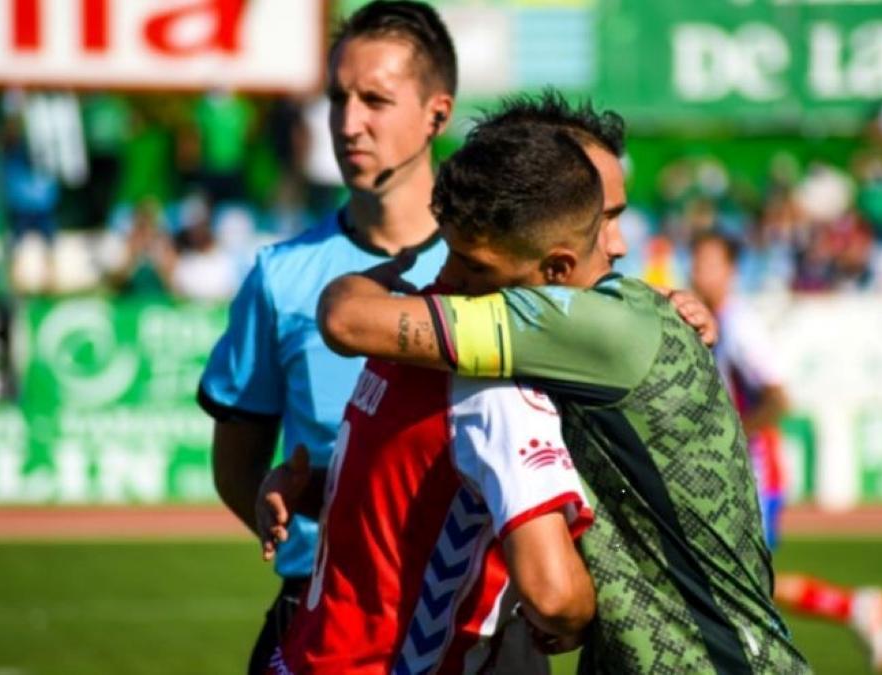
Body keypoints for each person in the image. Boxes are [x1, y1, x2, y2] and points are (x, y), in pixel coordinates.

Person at [316, 95, 808, 672]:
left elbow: (349, 320)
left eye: (613, 215)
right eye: (603, 218)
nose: (618, 245)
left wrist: (373, 279)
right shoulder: (609, 319)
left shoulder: (584, 326)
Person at [268, 122, 603, 675]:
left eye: (475, 268)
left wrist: (310, 490)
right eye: (451, 253)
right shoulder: (495, 386)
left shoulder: (412, 336)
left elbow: (407, 505)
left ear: (556, 267)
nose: (446, 279)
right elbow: (554, 597)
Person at [196, 3, 457, 671]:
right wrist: (297, 524)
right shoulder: (279, 276)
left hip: (468, 624)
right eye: (337, 97)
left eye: (376, 99)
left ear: (437, 112)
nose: (347, 122)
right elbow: (238, 466)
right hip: (316, 624)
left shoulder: (498, 269)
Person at [690, 231, 882, 673]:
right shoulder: (718, 320)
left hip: (757, 472)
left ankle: (838, 619)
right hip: (738, 471)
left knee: (741, 587)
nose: (698, 271)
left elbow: (779, 397)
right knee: (740, 584)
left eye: (708, 262)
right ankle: (855, 608)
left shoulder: (741, 325)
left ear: (731, 271)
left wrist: (733, 435)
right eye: (696, 261)